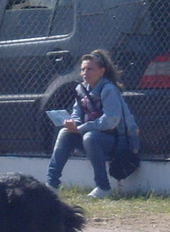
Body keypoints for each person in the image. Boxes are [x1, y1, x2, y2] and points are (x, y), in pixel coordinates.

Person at [46, 49, 136, 199]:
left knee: (90, 137)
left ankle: (103, 187)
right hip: (93, 137)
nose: (85, 73)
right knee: (65, 133)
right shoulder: (81, 89)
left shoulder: (109, 90)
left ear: (102, 71)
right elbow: (77, 113)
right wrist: (72, 123)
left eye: (89, 69)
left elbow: (111, 121)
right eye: (82, 69)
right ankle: (51, 185)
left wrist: (80, 128)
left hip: (119, 142)